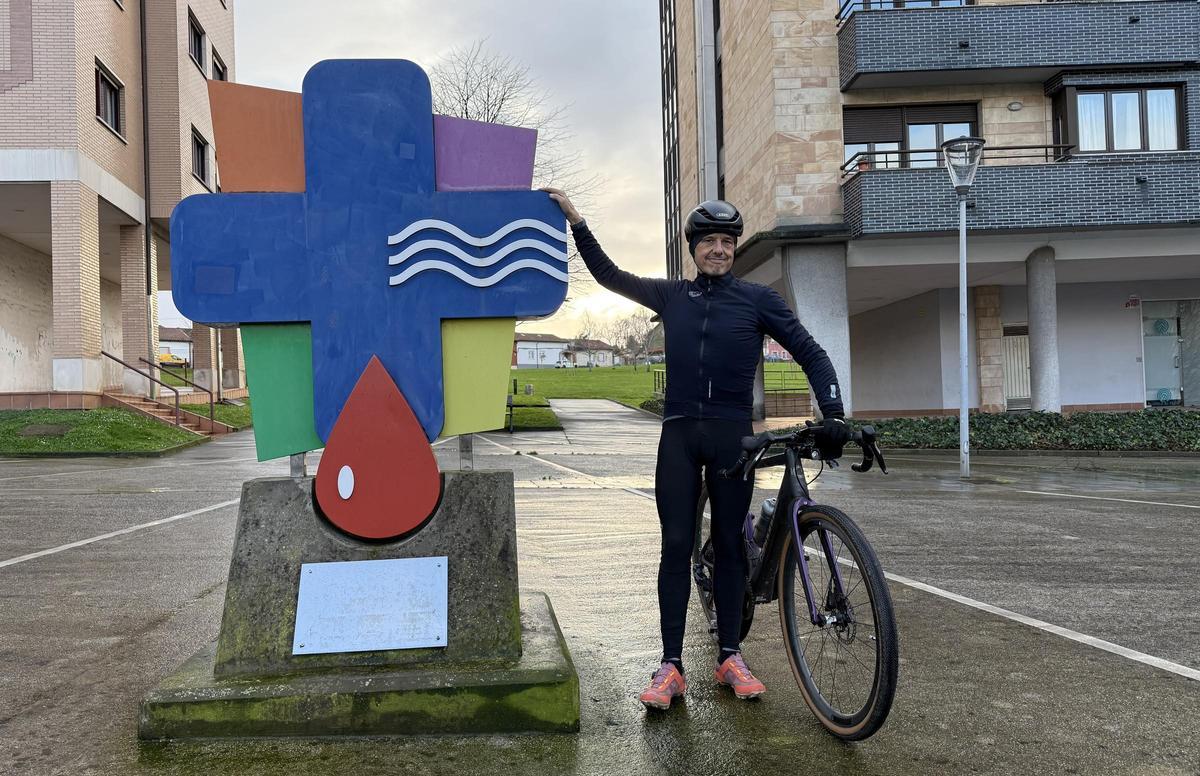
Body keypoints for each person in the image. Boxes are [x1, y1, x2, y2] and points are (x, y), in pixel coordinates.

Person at [543, 189, 850, 710]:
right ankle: (670, 664)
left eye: (727, 242)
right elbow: (609, 276)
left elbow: (811, 352)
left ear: (734, 248)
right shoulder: (671, 298)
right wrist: (577, 220)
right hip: (680, 437)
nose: (719, 250)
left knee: (731, 544)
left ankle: (730, 655)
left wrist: (835, 411)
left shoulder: (759, 302)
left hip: (733, 436)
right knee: (676, 543)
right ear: (694, 249)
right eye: (709, 241)